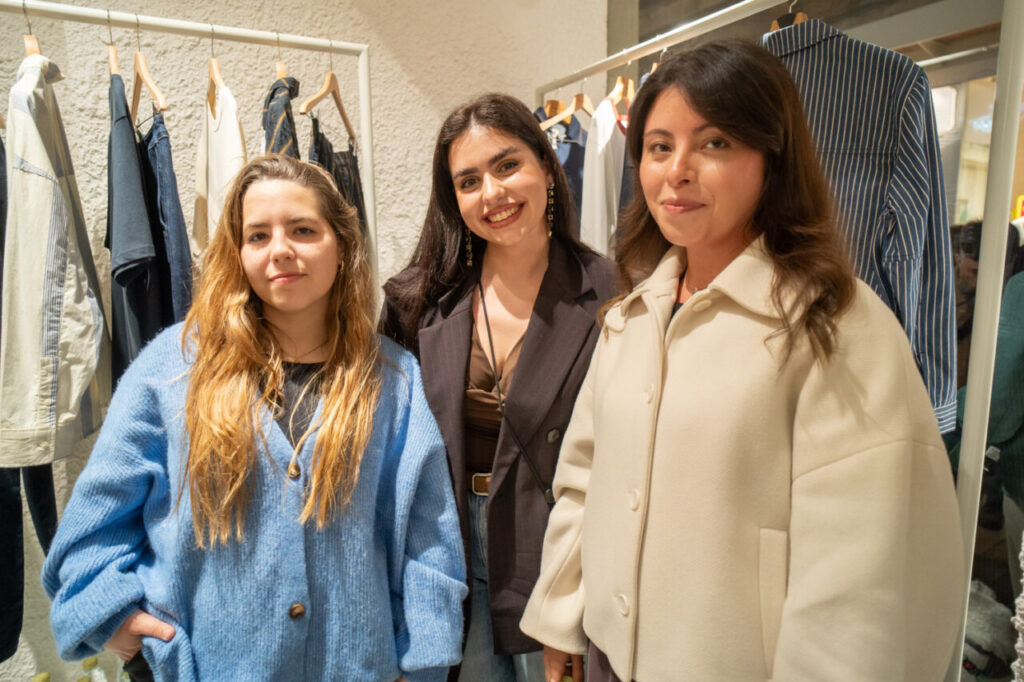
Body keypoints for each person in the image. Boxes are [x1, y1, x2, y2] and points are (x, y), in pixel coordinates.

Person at [520, 40, 964, 682]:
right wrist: (562, 615)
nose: (677, 170)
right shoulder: (632, 316)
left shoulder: (832, 324)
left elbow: (865, 578)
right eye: (658, 145)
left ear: (772, 157)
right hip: (611, 660)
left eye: (715, 143)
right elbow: (586, 477)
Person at [42, 155, 467, 681]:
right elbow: (89, 533)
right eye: (258, 236)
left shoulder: (392, 380)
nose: (280, 250)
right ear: (237, 252)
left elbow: (430, 545)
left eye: (303, 230)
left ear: (343, 245)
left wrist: (422, 664)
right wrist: (118, 622)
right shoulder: (172, 371)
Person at [381, 93, 617, 682]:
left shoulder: (614, 292)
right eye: (468, 180)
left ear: (545, 165)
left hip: (561, 552)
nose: (492, 194)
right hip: (450, 548)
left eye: (507, 165)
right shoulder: (419, 304)